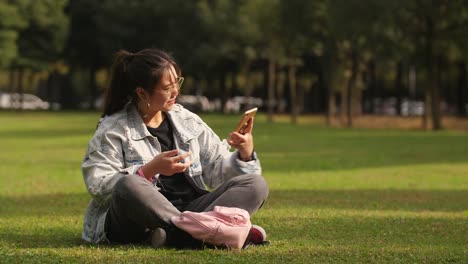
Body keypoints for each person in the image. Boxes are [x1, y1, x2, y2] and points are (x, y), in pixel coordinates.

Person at [81, 48, 269, 249]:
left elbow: (216, 170)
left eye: (177, 82)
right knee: (128, 185)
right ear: (142, 93)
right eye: (167, 87)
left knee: (256, 185)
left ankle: (177, 235)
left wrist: (245, 154)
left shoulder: (186, 120)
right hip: (138, 221)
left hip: (191, 209)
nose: (176, 92)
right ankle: (214, 232)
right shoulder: (113, 129)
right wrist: (149, 170)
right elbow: (98, 185)